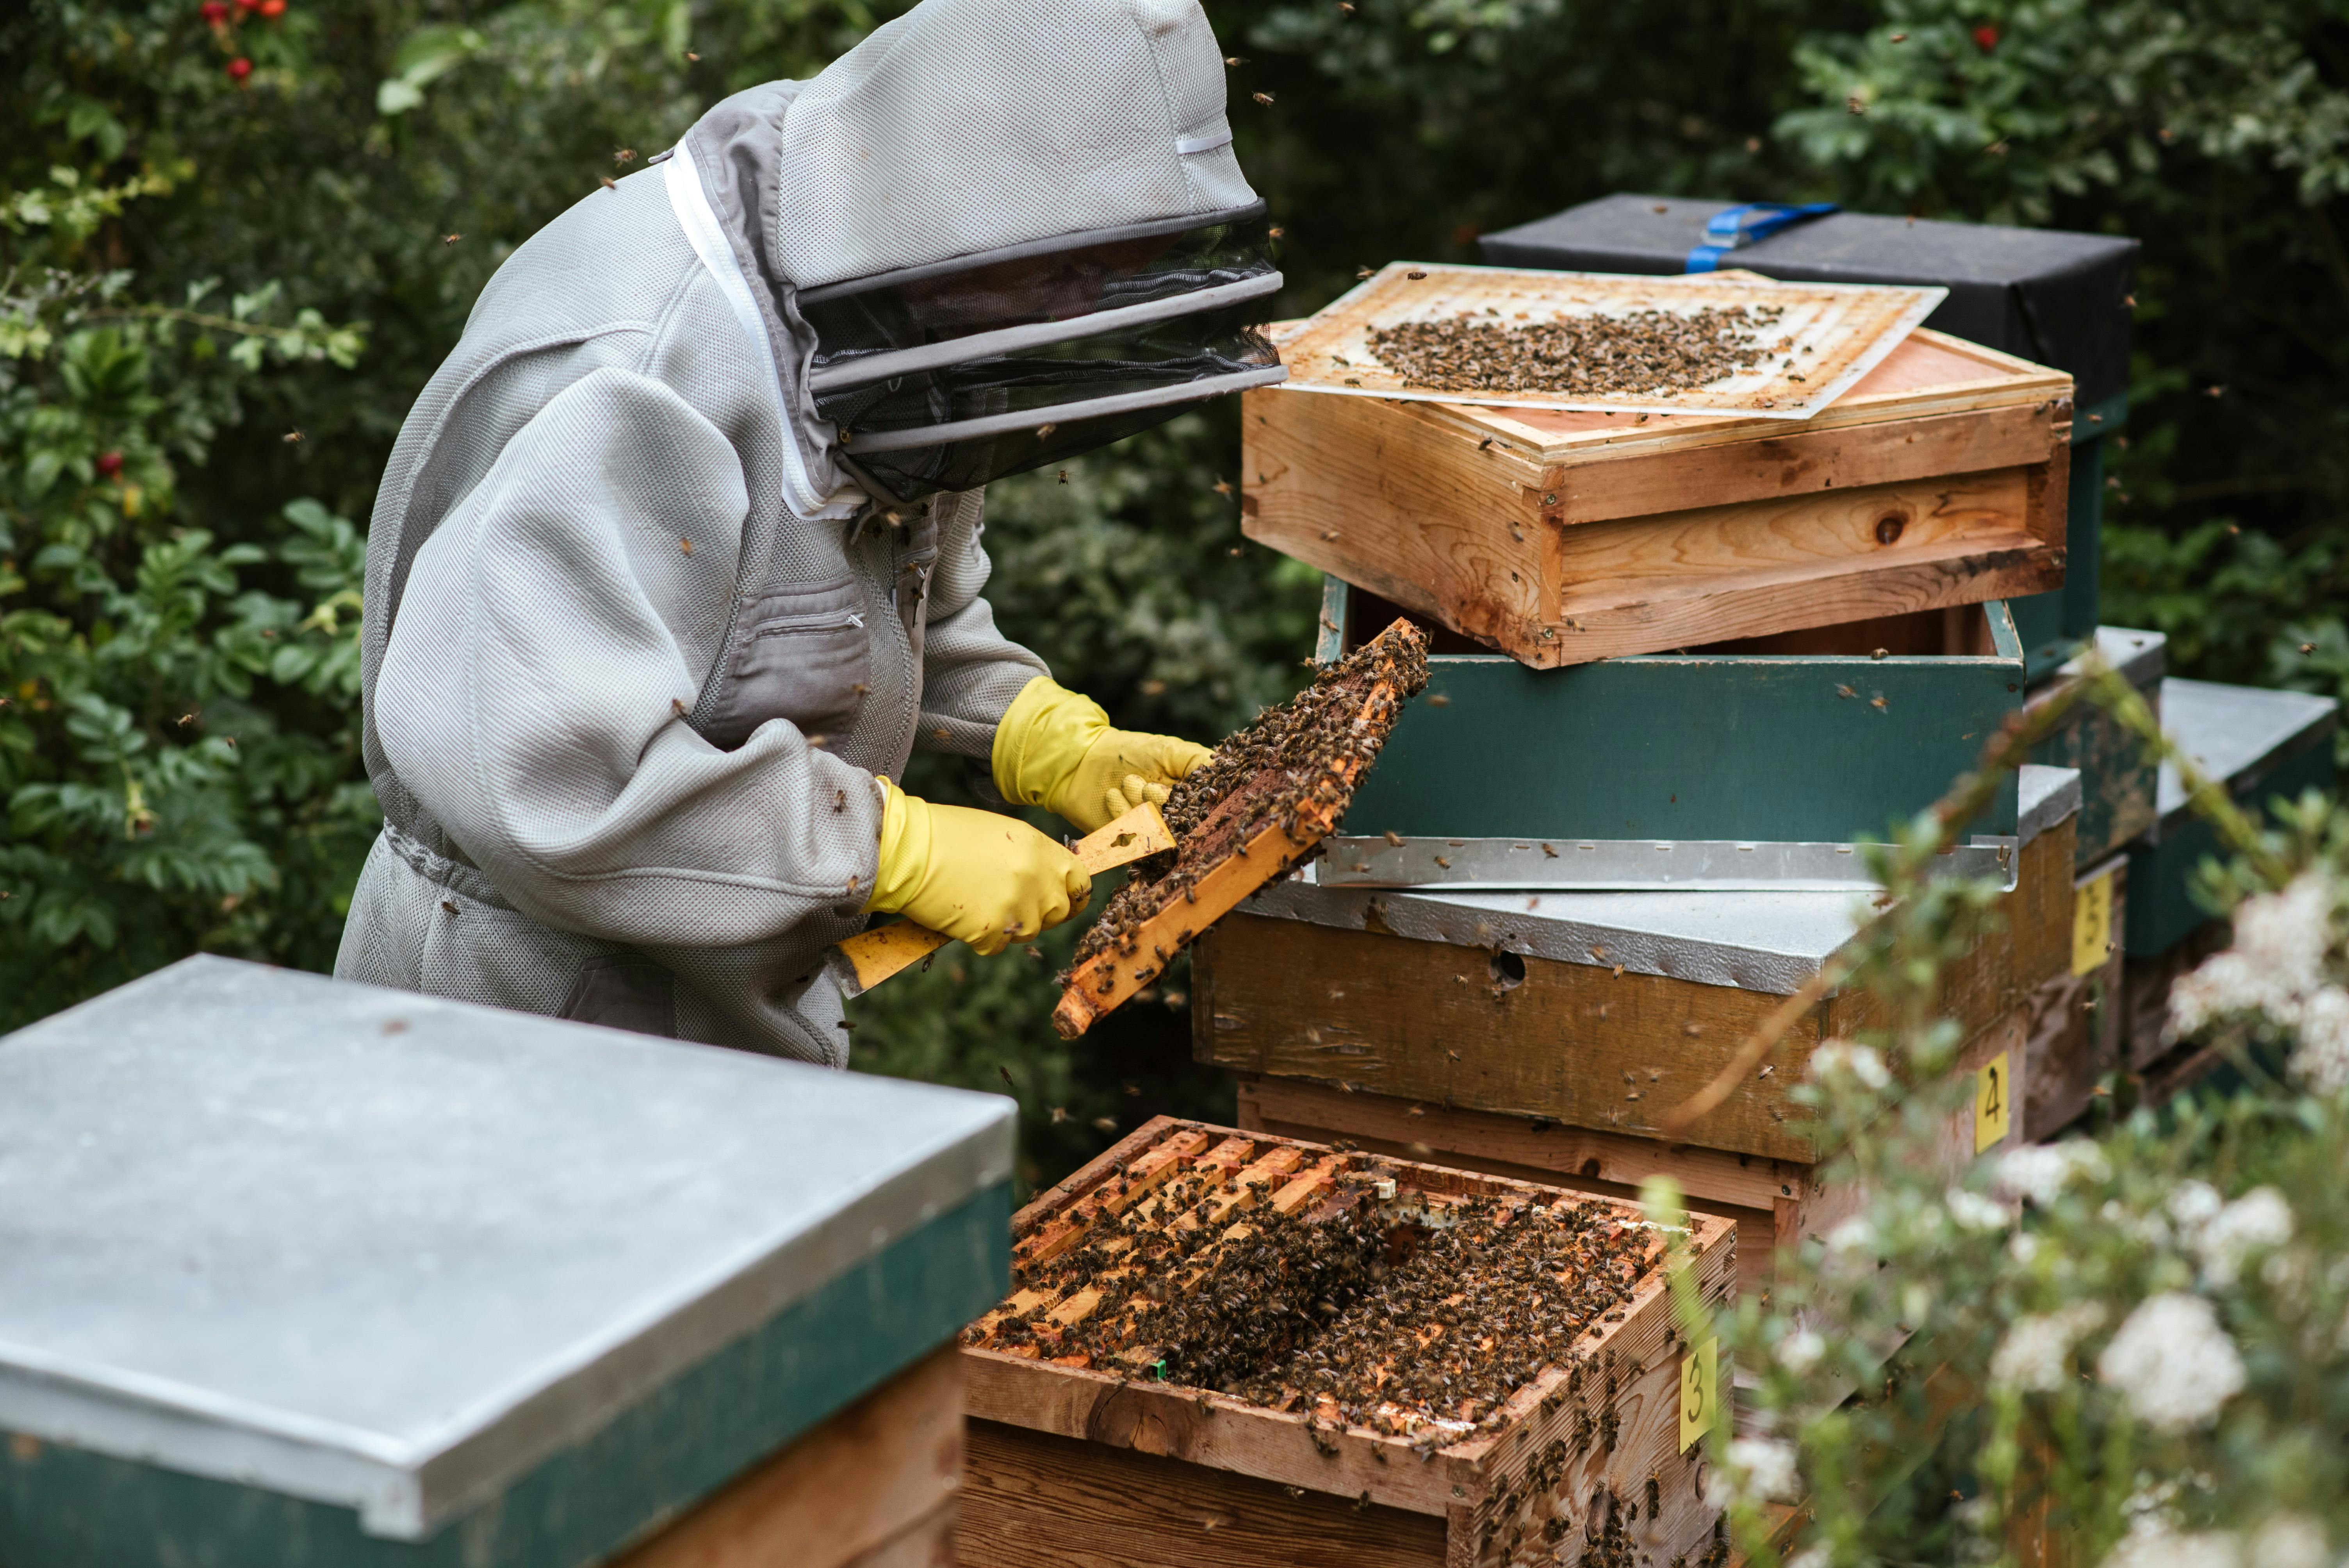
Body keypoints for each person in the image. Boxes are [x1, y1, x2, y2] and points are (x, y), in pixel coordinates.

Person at [334, 0, 1285, 1064]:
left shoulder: (900, 312)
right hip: (516, 1018)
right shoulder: (635, 375)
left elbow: (842, 606)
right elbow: (553, 779)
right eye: (1067, 266)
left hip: (720, 1023)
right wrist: (888, 848)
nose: (1086, 300)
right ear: (955, 194)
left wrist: (1029, 730)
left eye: (1114, 266)